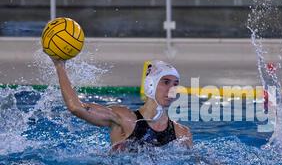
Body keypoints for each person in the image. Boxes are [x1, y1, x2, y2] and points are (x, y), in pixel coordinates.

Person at [51, 58, 192, 151]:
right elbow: (76, 107)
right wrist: (60, 66)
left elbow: (195, 162)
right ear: (151, 84)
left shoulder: (182, 133)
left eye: (175, 84)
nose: (171, 89)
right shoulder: (123, 118)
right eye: (166, 82)